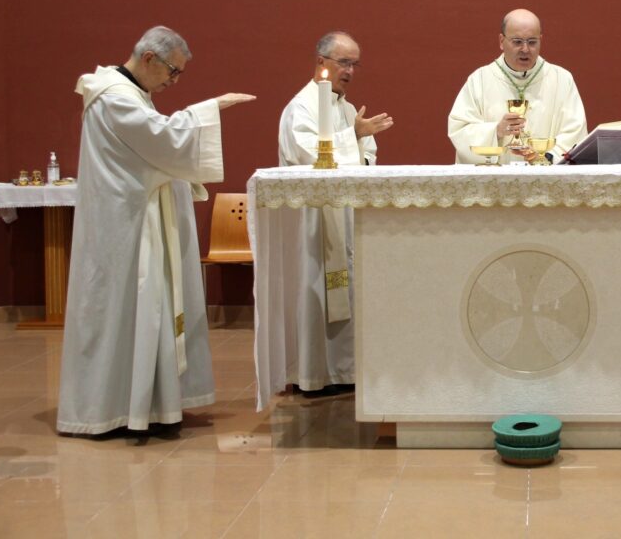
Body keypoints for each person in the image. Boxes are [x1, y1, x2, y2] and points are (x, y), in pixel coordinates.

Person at [57, 26, 255, 435]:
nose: (173, 80)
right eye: (172, 70)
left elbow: (155, 147)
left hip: (136, 221)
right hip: (127, 229)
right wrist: (210, 109)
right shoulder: (114, 97)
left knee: (148, 310)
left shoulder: (128, 93)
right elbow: (164, 138)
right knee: (129, 312)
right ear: (149, 58)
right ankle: (113, 409)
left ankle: (149, 402)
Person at [277, 31, 393, 395]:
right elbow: (307, 154)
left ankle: (345, 371)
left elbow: (367, 155)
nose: (350, 71)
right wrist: (352, 136)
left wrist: (359, 141)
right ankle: (313, 374)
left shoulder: (346, 108)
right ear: (321, 62)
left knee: (348, 290)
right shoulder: (302, 108)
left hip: (344, 216)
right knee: (316, 289)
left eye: (355, 64)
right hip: (314, 221)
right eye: (344, 62)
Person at [448, 8, 586, 164]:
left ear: (541, 40)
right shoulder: (479, 80)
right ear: (501, 41)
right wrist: (496, 132)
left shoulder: (562, 80)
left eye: (532, 42)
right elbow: (460, 129)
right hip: (494, 178)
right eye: (517, 42)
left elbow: (575, 132)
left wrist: (546, 157)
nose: (525, 49)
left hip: (544, 176)